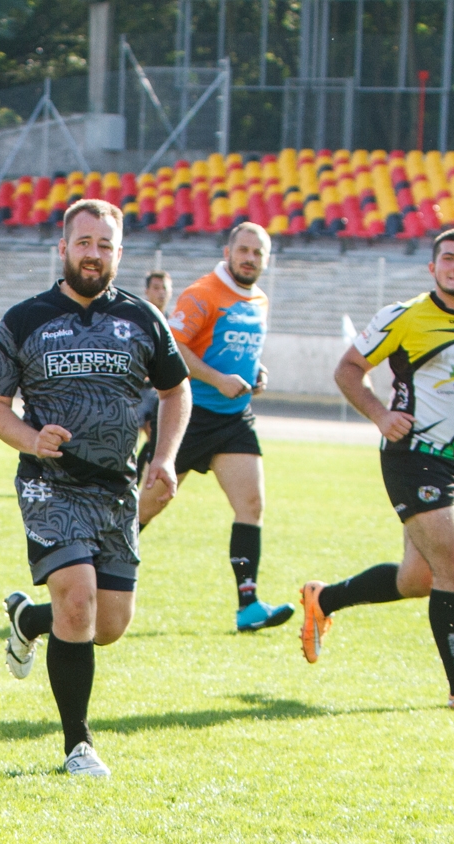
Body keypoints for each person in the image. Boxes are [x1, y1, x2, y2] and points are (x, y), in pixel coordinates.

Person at [0, 200, 190, 778]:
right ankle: (78, 745)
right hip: (50, 485)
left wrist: (164, 457)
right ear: (63, 248)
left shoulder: (144, 318)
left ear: (119, 253)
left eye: (104, 245)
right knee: (77, 601)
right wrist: (30, 439)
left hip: (117, 489)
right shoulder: (25, 319)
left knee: (108, 625)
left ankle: (29, 621)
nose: (93, 254)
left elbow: (177, 391)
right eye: (84, 243)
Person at [298, 228, 454, 711]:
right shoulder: (403, 316)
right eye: (449, 258)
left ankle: (324, 599)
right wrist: (380, 415)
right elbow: (348, 368)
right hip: (411, 456)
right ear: (433, 267)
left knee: (420, 578)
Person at [137, 222, 294, 633]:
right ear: (228, 252)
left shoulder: (259, 299)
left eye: (258, 253)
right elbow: (173, 348)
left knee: (251, 506)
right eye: (243, 250)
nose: (250, 259)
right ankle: (94, 580)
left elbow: (235, 351)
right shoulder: (203, 293)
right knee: (144, 508)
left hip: (235, 419)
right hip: (190, 416)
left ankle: (249, 606)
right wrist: (218, 379)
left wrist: (256, 371)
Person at [135, 269, 174, 459]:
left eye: (164, 288)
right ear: (147, 291)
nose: (161, 292)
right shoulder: (137, 320)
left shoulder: (174, 323)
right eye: (156, 288)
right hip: (135, 390)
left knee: (156, 439)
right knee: (128, 442)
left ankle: (144, 473)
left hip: (157, 391)